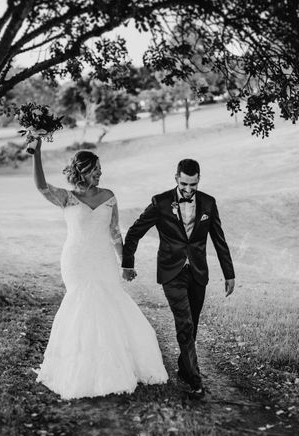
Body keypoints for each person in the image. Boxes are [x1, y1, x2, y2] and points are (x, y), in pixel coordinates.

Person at [31, 138, 168, 399]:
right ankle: (80, 368)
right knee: (82, 306)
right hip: (77, 260)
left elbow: (115, 232)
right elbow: (40, 186)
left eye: (101, 169)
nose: (100, 173)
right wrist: (36, 152)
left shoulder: (109, 196)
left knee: (109, 304)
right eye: (96, 169)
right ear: (82, 170)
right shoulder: (67, 198)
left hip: (104, 259)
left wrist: (125, 263)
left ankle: (116, 367)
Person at [122, 159, 235, 399]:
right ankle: (195, 378)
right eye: (184, 184)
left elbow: (219, 240)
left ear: (198, 180)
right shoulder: (161, 202)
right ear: (176, 178)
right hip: (171, 272)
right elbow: (134, 232)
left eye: (193, 185)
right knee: (184, 323)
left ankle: (184, 368)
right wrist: (128, 263)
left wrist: (229, 274)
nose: (188, 189)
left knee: (191, 325)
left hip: (198, 273)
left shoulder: (208, 203)